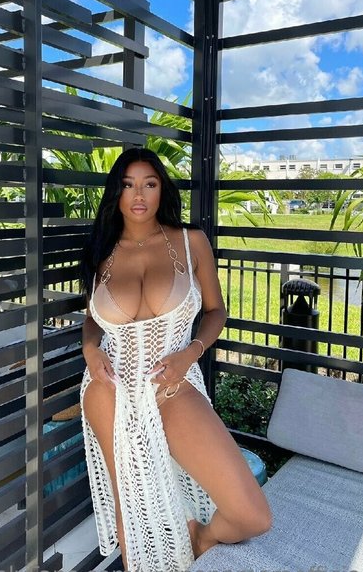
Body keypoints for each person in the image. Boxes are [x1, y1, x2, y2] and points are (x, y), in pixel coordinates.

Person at [79, 147, 272, 572]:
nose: (138, 195)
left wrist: (190, 353)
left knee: (251, 514)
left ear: (161, 189)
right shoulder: (102, 250)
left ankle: (199, 536)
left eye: (149, 184)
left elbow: (216, 311)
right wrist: (90, 350)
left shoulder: (190, 241)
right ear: (116, 192)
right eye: (128, 185)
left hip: (172, 384)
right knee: (130, 509)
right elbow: (92, 319)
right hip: (109, 389)